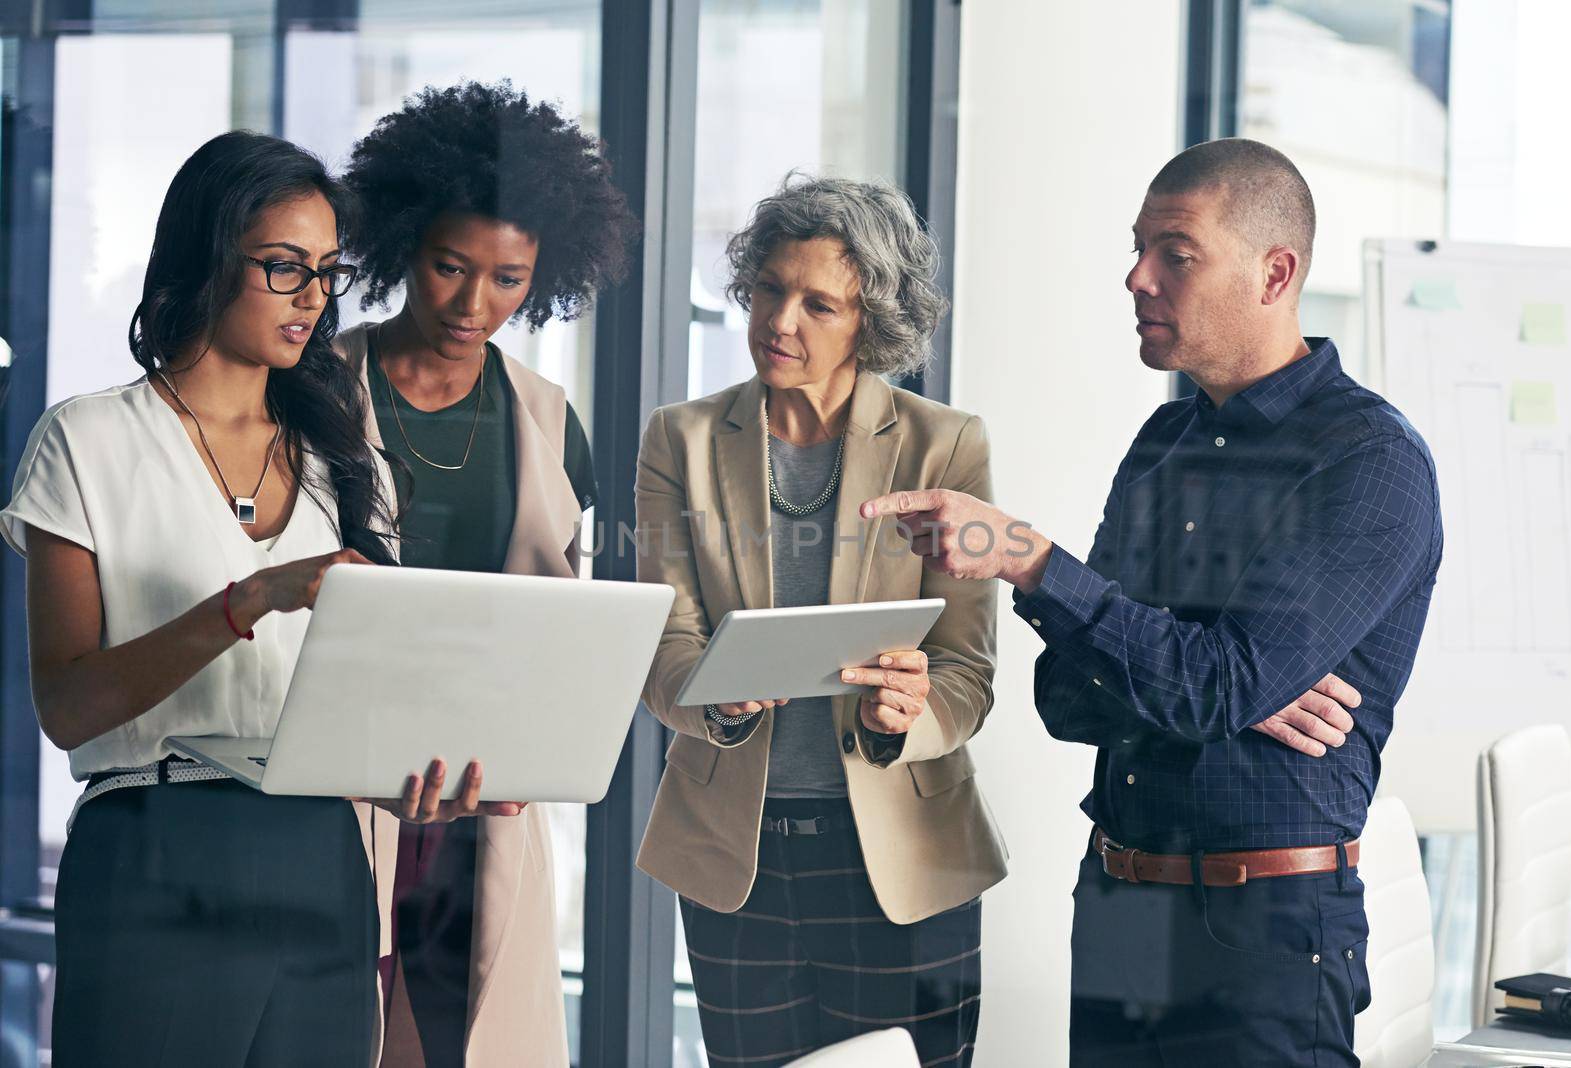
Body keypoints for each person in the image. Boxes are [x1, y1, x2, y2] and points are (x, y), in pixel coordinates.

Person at [862, 138, 1444, 1066]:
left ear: (1275, 272)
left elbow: (1208, 690)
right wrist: (1231, 679)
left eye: (1177, 253)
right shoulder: (1165, 441)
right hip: (1120, 909)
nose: (1137, 278)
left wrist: (1030, 559)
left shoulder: (1368, 461)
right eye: (1139, 249)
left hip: (1261, 935)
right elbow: (1069, 699)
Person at [0, 131, 401, 1065]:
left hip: (322, 859)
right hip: (153, 851)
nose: (312, 298)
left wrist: (420, 780)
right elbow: (67, 706)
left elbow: (371, 692)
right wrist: (250, 597)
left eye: (328, 273)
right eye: (283, 267)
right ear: (207, 255)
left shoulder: (349, 461)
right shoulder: (85, 442)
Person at [635, 175, 1002, 1067]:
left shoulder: (945, 443)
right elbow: (665, 646)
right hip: (736, 857)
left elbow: (966, 668)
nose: (780, 320)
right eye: (769, 288)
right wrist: (719, 702)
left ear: (870, 322)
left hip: (903, 856)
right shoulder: (677, 439)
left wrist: (912, 713)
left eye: (818, 304)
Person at [337, 81, 634, 1068]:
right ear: (401, 247)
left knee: (467, 1038)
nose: (474, 305)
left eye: (508, 280)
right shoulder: (319, 393)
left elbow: (564, 627)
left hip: (487, 799)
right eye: (448, 267)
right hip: (340, 787)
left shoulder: (547, 417)